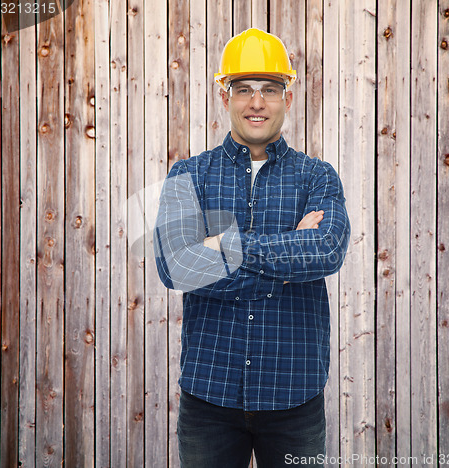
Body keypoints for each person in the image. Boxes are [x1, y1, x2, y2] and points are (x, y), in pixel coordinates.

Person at [153, 28, 351, 468]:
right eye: (243, 89)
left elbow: (325, 250)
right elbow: (176, 266)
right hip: (209, 396)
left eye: (269, 89)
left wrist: (224, 245)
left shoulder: (318, 176)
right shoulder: (188, 174)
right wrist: (286, 257)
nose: (256, 102)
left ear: (288, 98)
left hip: (294, 397)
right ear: (225, 98)